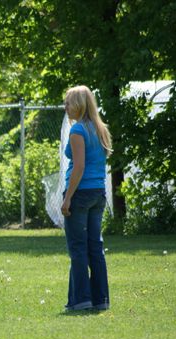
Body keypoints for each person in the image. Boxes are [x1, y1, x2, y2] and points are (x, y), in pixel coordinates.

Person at [61, 85, 112, 312]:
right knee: (95, 247)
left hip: (80, 194)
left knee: (78, 248)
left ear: (80, 104)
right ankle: (101, 299)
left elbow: (79, 167)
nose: (65, 107)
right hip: (98, 193)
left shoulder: (78, 130)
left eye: (68, 102)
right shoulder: (100, 129)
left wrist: (67, 199)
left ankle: (80, 300)